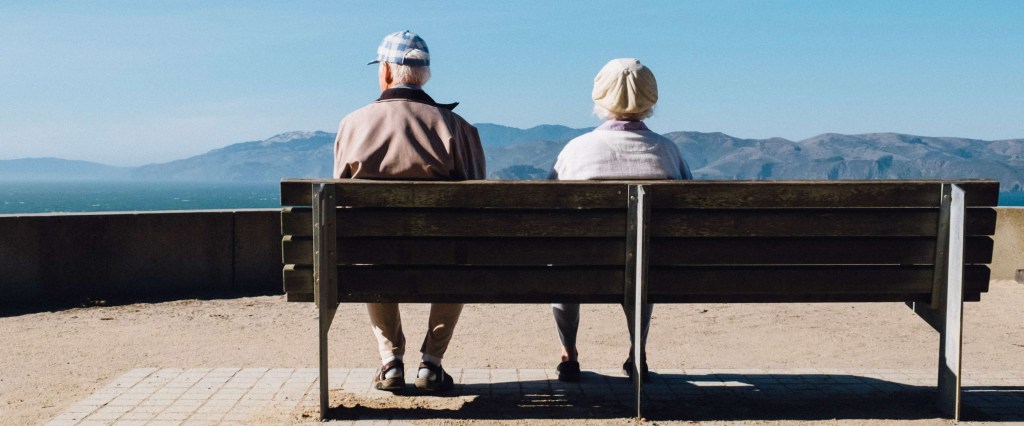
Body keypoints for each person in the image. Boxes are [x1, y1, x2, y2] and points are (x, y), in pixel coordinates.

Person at [333, 30, 485, 393]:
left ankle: (390, 362)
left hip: (376, 258)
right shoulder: (457, 129)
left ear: (386, 71)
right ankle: (431, 363)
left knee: (368, 251)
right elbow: (480, 203)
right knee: (459, 255)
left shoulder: (352, 124)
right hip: (443, 257)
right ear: (424, 76)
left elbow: (338, 204)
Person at [549, 58, 692, 383]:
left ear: (599, 97)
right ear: (651, 98)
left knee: (563, 264)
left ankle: (569, 354)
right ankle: (636, 352)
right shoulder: (668, 152)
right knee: (642, 261)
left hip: (582, 268)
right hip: (650, 270)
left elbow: (549, 212)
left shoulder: (576, 151)